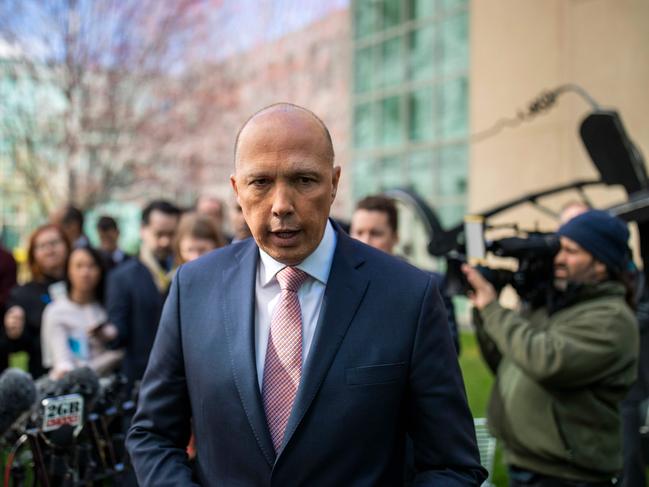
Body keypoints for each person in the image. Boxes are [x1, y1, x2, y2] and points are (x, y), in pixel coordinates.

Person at [127, 103, 485, 486]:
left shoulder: (409, 296)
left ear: (334, 183)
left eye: (303, 180)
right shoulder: (193, 288)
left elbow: (453, 465)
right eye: (261, 182)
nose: (282, 205)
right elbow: (153, 435)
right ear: (237, 189)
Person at [463, 209, 639, 486]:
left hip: (568, 475)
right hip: (525, 462)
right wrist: (482, 311)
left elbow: (545, 360)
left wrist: (493, 308)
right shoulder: (555, 305)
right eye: (559, 248)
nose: (558, 258)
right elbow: (507, 359)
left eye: (571, 251)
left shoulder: (611, 318)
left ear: (601, 263)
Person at [350, 194, 460, 354]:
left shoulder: (428, 285)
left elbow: (448, 349)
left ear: (395, 237)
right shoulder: (336, 285)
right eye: (359, 232)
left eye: (376, 233)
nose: (365, 241)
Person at [105, 200, 180, 392]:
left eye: (171, 235)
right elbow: (118, 332)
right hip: (140, 382)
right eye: (159, 234)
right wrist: (109, 332)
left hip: (181, 379)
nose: (165, 241)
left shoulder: (185, 272)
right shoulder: (122, 277)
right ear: (143, 230)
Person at [41, 246, 122, 379]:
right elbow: (63, 366)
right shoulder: (55, 311)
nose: (85, 273)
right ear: (68, 270)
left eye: (91, 266)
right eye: (78, 266)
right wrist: (114, 357)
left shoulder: (107, 307)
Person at [2, 224, 70, 378]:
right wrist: (14, 332)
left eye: (54, 243)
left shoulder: (81, 285)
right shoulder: (22, 294)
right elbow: (15, 346)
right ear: (33, 254)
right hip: (45, 376)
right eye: (42, 246)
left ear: (67, 245)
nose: (49, 250)